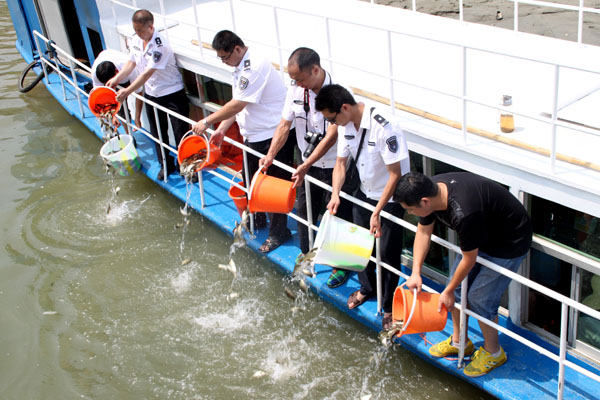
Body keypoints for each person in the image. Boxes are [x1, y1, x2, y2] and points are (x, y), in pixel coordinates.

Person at [393, 171, 532, 377]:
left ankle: (494, 353)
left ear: (424, 202)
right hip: (482, 233)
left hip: (509, 241)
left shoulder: (463, 212)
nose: (411, 213)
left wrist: (448, 290)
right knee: (456, 290)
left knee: (480, 299)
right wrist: (415, 273)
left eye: (410, 209)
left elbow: (469, 258)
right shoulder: (430, 191)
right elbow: (423, 232)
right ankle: (460, 342)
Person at [316, 84, 410, 329]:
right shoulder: (345, 126)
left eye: (332, 119)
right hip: (364, 193)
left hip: (389, 199)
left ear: (345, 108)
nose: (331, 124)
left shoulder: (384, 126)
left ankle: (388, 306)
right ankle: (367, 288)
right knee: (358, 246)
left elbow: (396, 174)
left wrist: (377, 212)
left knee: (387, 254)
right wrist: (335, 194)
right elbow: (340, 164)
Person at [191, 30, 292, 253]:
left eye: (225, 57)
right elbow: (238, 102)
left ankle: (279, 233)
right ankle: (258, 220)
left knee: (271, 186)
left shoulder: (254, 67)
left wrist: (207, 121)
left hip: (271, 136)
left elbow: (238, 104)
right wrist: (222, 129)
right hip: (253, 137)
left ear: (237, 49)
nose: (224, 62)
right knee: (250, 182)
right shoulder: (239, 66)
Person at [258, 47, 351, 287]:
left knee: (338, 215)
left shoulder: (338, 90)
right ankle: (306, 253)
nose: (297, 84)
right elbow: (284, 124)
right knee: (305, 210)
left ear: (315, 70)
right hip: (307, 164)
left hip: (335, 165)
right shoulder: (296, 89)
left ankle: (340, 265)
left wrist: (305, 163)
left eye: (300, 79)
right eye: (294, 80)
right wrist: (270, 155)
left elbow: (332, 135)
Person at [107, 9, 190, 181]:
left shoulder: (160, 46)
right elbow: (131, 63)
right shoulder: (136, 40)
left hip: (172, 93)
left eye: (140, 30)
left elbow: (146, 73)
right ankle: (165, 164)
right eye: (135, 29)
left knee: (180, 132)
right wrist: (116, 79)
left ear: (151, 27)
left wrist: (127, 91)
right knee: (157, 132)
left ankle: (186, 166)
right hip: (152, 94)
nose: (137, 33)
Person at [91, 49, 143, 134]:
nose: (112, 87)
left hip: (124, 78)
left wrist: (137, 118)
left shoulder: (130, 69)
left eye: (112, 84)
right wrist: (113, 116)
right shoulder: (95, 74)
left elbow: (139, 93)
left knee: (122, 102)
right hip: (106, 64)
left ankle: (128, 133)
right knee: (121, 110)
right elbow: (101, 97)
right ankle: (128, 134)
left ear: (117, 72)